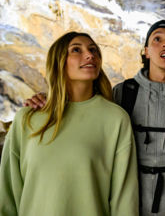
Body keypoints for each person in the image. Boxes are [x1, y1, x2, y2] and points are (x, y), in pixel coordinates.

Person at [24, 20, 165, 216]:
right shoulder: (124, 93)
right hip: (128, 207)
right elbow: (84, 106)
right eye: (157, 39)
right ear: (146, 51)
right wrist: (47, 99)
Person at [0, 32, 139, 216]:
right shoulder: (27, 118)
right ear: (58, 61)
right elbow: (8, 193)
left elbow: (125, 199)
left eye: (93, 50)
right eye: (76, 50)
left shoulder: (116, 119)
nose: (90, 55)